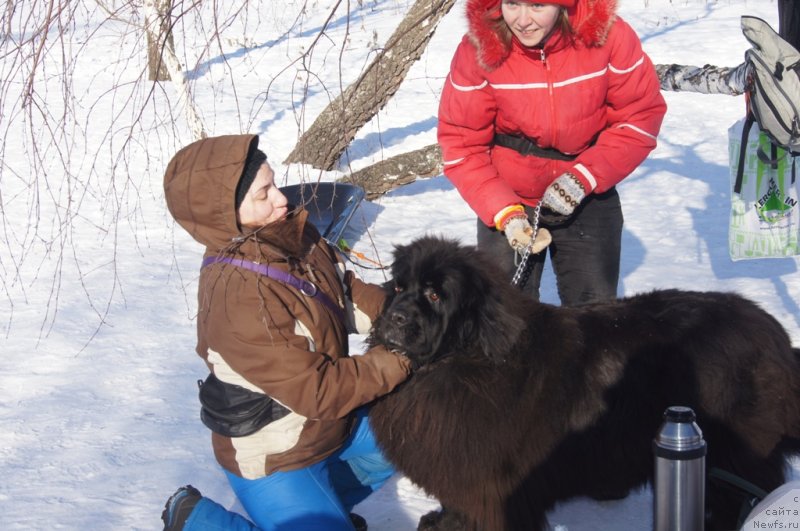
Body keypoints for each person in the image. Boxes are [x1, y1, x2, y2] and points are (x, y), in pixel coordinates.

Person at [160, 134, 412, 531]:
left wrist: (409, 316)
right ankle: (196, 519)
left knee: (413, 437)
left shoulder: (292, 237)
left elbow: (342, 295)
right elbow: (319, 390)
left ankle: (325, 513)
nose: (282, 199)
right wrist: (404, 357)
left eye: (274, 183)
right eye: (264, 194)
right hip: (278, 449)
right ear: (227, 212)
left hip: (328, 425)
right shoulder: (238, 297)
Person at [438, 0, 667, 305]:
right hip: (508, 193)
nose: (522, 20)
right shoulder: (478, 50)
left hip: (588, 189)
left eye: (537, 5)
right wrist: (504, 210)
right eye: (512, 4)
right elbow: (462, 144)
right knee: (503, 316)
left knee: (595, 315)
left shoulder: (609, 37)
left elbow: (639, 118)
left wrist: (584, 178)